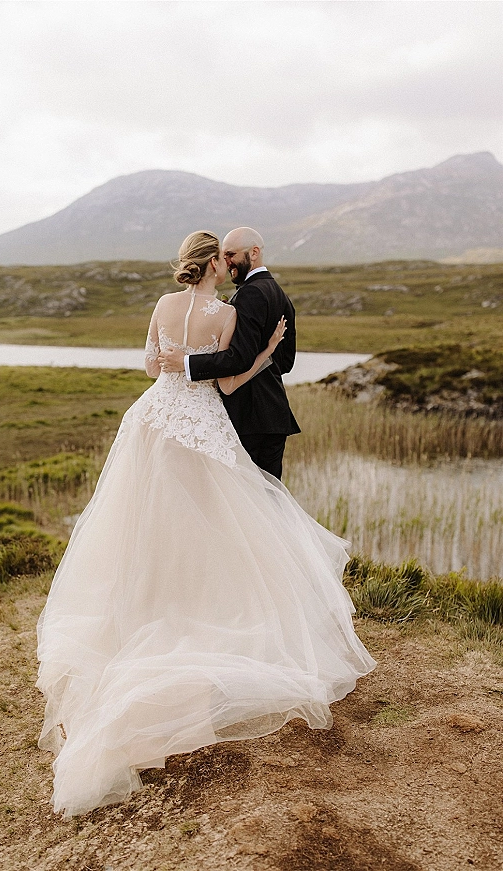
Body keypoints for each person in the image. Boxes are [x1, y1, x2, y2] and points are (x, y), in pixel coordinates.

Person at [36, 231, 375, 819]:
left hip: (153, 419)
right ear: (217, 263)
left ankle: (146, 606)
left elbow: (152, 364)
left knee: (146, 523)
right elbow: (226, 380)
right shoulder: (222, 315)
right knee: (217, 524)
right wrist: (266, 352)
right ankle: (209, 607)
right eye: (224, 256)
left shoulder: (164, 307)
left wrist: (172, 367)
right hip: (202, 424)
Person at [158, 227, 300, 480]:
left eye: (231, 254)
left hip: (250, 417)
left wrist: (186, 362)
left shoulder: (251, 294)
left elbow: (239, 358)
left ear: (254, 253)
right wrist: (267, 353)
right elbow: (286, 362)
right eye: (223, 255)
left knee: (249, 505)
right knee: (269, 505)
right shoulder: (279, 293)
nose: (226, 261)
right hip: (271, 415)